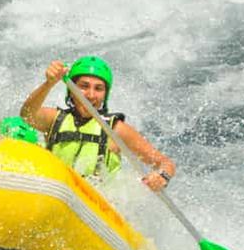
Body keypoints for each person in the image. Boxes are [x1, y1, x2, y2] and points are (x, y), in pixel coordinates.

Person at [20, 56, 175, 191]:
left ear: (105, 95)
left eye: (99, 88)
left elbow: (164, 163)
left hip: (96, 203)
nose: (91, 95)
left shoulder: (115, 130)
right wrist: (49, 83)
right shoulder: (54, 118)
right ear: (71, 90)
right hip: (56, 190)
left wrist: (162, 176)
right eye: (84, 86)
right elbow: (27, 115)